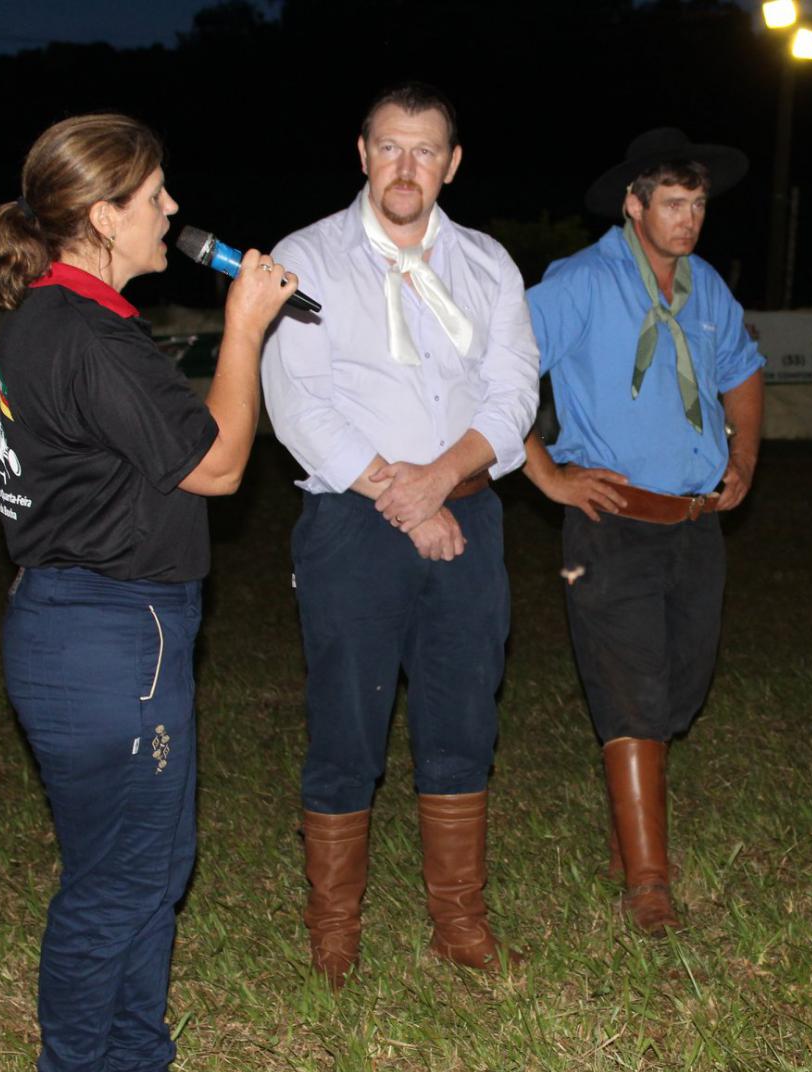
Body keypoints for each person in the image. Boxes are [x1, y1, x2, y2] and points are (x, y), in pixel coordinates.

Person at [0, 114, 295, 1072]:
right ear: (102, 216)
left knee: (149, 863)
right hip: (110, 635)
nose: (173, 209)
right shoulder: (83, 331)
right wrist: (245, 328)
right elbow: (213, 466)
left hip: (88, 629)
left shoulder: (61, 319)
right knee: (119, 876)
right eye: (156, 194)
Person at [261, 83, 539, 987]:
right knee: (347, 721)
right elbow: (297, 399)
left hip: (468, 511)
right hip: (351, 518)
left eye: (425, 151)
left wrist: (440, 484)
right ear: (362, 153)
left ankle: (458, 919)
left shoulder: (490, 264)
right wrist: (399, 494)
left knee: (463, 713)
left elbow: (513, 398)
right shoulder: (307, 258)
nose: (406, 168)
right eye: (390, 147)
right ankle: (334, 927)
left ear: (451, 164)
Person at [521, 128, 765, 936]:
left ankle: (638, 834)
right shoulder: (581, 283)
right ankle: (649, 886)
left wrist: (745, 459)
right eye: (672, 203)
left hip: (694, 527)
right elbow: (496, 370)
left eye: (698, 205)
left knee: (681, 689)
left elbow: (743, 370)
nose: (689, 219)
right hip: (613, 521)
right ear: (634, 205)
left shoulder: (707, 290)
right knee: (633, 695)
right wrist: (547, 472)